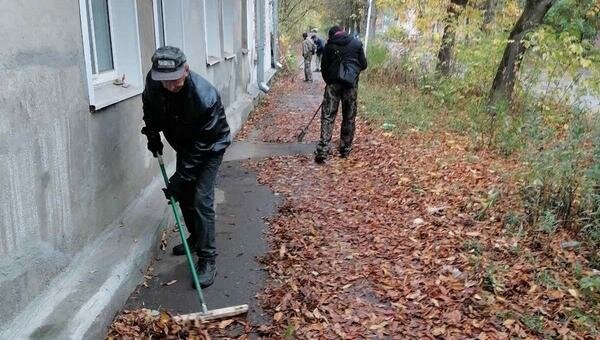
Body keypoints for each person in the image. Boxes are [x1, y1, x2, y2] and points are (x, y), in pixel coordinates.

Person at [141, 46, 231, 289]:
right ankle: (195, 239)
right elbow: (149, 107)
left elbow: (202, 147)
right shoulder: (154, 82)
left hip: (210, 146)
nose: (170, 85)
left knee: (200, 198)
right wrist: (152, 135)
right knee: (185, 196)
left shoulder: (204, 97)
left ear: (186, 70)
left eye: (175, 79)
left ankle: (208, 258)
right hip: (185, 145)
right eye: (164, 81)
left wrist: (180, 178)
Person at [315, 26, 368, 163]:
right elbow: (364, 64)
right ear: (344, 31)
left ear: (331, 34)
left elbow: (324, 68)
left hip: (333, 85)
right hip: (350, 86)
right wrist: (351, 73)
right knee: (349, 116)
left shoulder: (329, 46)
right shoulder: (356, 44)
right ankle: (345, 148)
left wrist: (330, 82)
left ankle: (323, 149)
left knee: (327, 116)